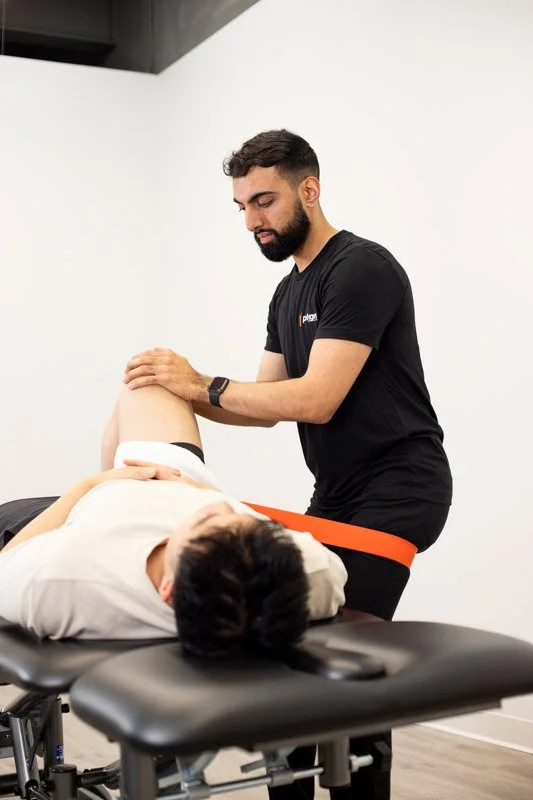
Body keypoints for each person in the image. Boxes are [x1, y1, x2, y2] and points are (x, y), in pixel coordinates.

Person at [120, 130, 453, 800]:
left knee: (337, 655)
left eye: (264, 201)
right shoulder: (286, 293)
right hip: (334, 494)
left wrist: (202, 383)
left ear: (310, 188)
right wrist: (178, 390)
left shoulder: (360, 268)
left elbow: (317, 400)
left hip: (398, 487)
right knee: (287, 645)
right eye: (241, 206)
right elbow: (266, 404)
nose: (252, 221)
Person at [0, 383, 347, 653]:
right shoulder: (307, 574)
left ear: (168, 589)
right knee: (151, 379)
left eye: (202, 523)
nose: (220, 507)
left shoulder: (61, 578)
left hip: (92, 507)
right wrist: (197, 490)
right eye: (240, 518)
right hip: (173, 480)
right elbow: (331, 569)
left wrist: (90, 485)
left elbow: (7, 566)